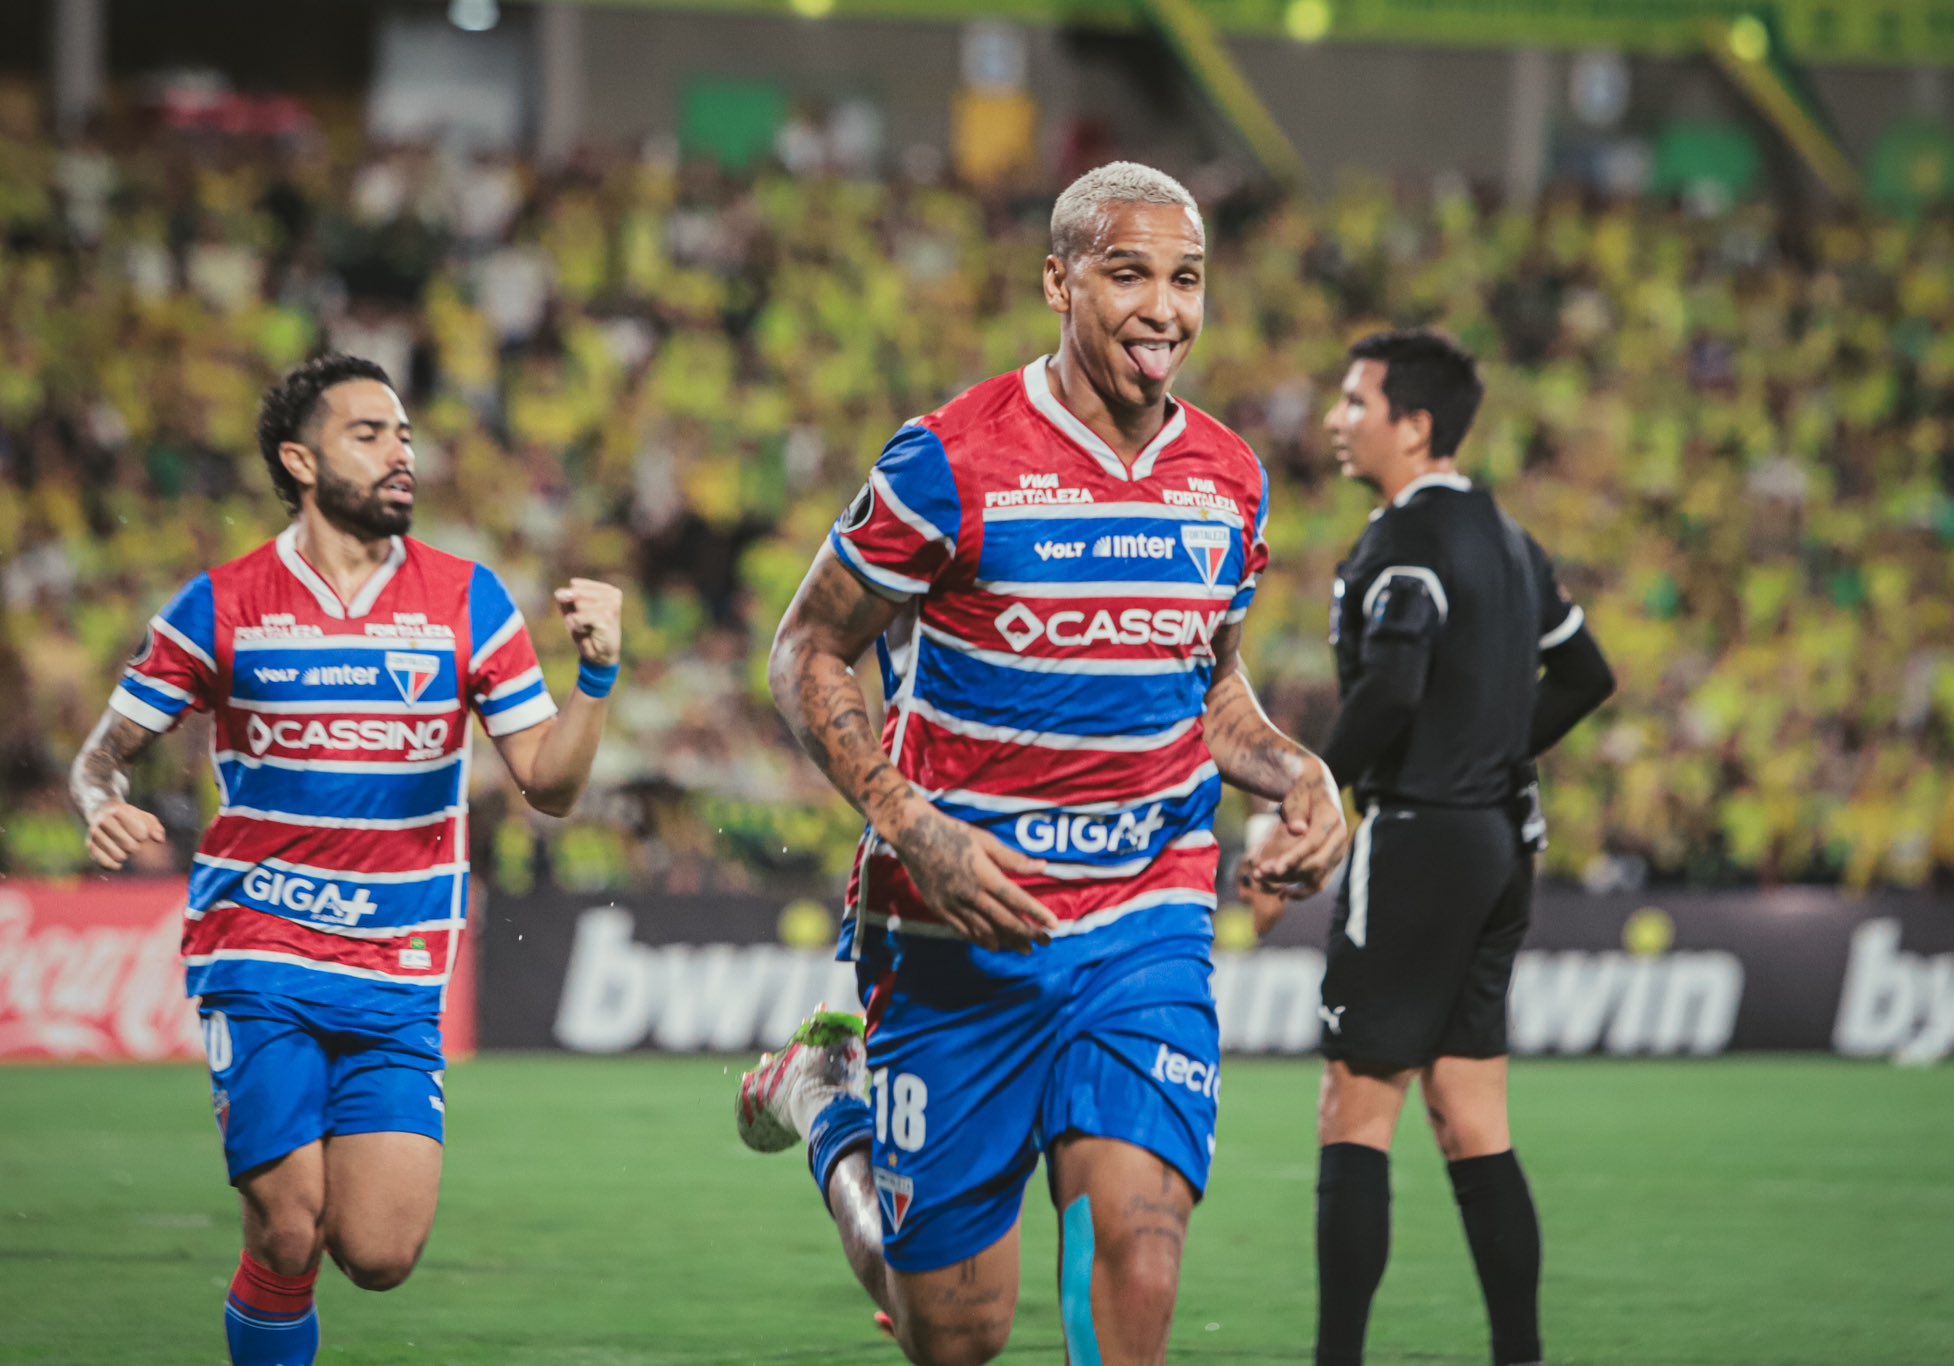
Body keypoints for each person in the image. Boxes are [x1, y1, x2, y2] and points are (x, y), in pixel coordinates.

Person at [734, 161, 1350, 1366]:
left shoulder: (1229, 480)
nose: (1163, 308)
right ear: (1058, 283)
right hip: (956, 928)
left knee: (1140, 1251)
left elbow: (1207, 687)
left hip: (1141, 921)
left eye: (1185, 279)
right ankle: (824, 1103)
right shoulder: (946, 461)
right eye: (1128, 275)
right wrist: (913, 826)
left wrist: (1299, 775)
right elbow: (804, 649)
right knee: (953, 1333)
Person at [68, 353, 623, 1366]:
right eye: (369, 434)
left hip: (398, 967)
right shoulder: (223, 602)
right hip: (260, 946)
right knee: (289, 1227)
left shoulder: (468, 598)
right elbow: (102, 753)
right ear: (301, 460)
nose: (400, 452)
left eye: (404, 434)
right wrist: (99, 800)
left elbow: (549, 785)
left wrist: (596, 676)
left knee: (378, 1252)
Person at [1247, 330, 1615, 1366]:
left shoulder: (1402, 543)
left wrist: (1308, 790)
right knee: (1470, 1113)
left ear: (1412, 425)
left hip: (1417, 840)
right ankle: (1518, 1355)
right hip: (1501, 843)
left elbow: (1395, 681)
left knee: (1354, 1111)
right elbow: (1586, 675)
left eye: (1354, 401)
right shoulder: (1509, 539)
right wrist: (1490, 747)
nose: (1334, 418)